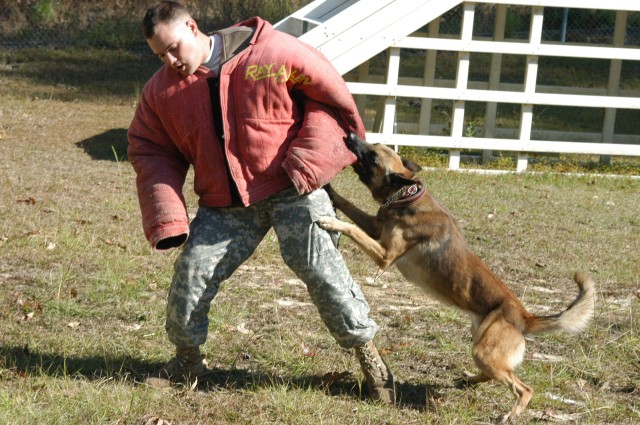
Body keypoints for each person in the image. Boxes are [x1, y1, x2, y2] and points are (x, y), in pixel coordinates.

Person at [127, 1, 395, 403]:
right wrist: (166, 213)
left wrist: (307, 163)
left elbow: (332, 103)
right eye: (159, 55)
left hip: (293, 189)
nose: (169, 60)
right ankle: (186, 362)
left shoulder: (273, 53)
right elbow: (150, 148)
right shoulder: (161, 92)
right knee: (191, 275)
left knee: (324, 272)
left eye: (173, 47)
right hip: (224, 204)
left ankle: (371, 361)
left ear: (192, 27)